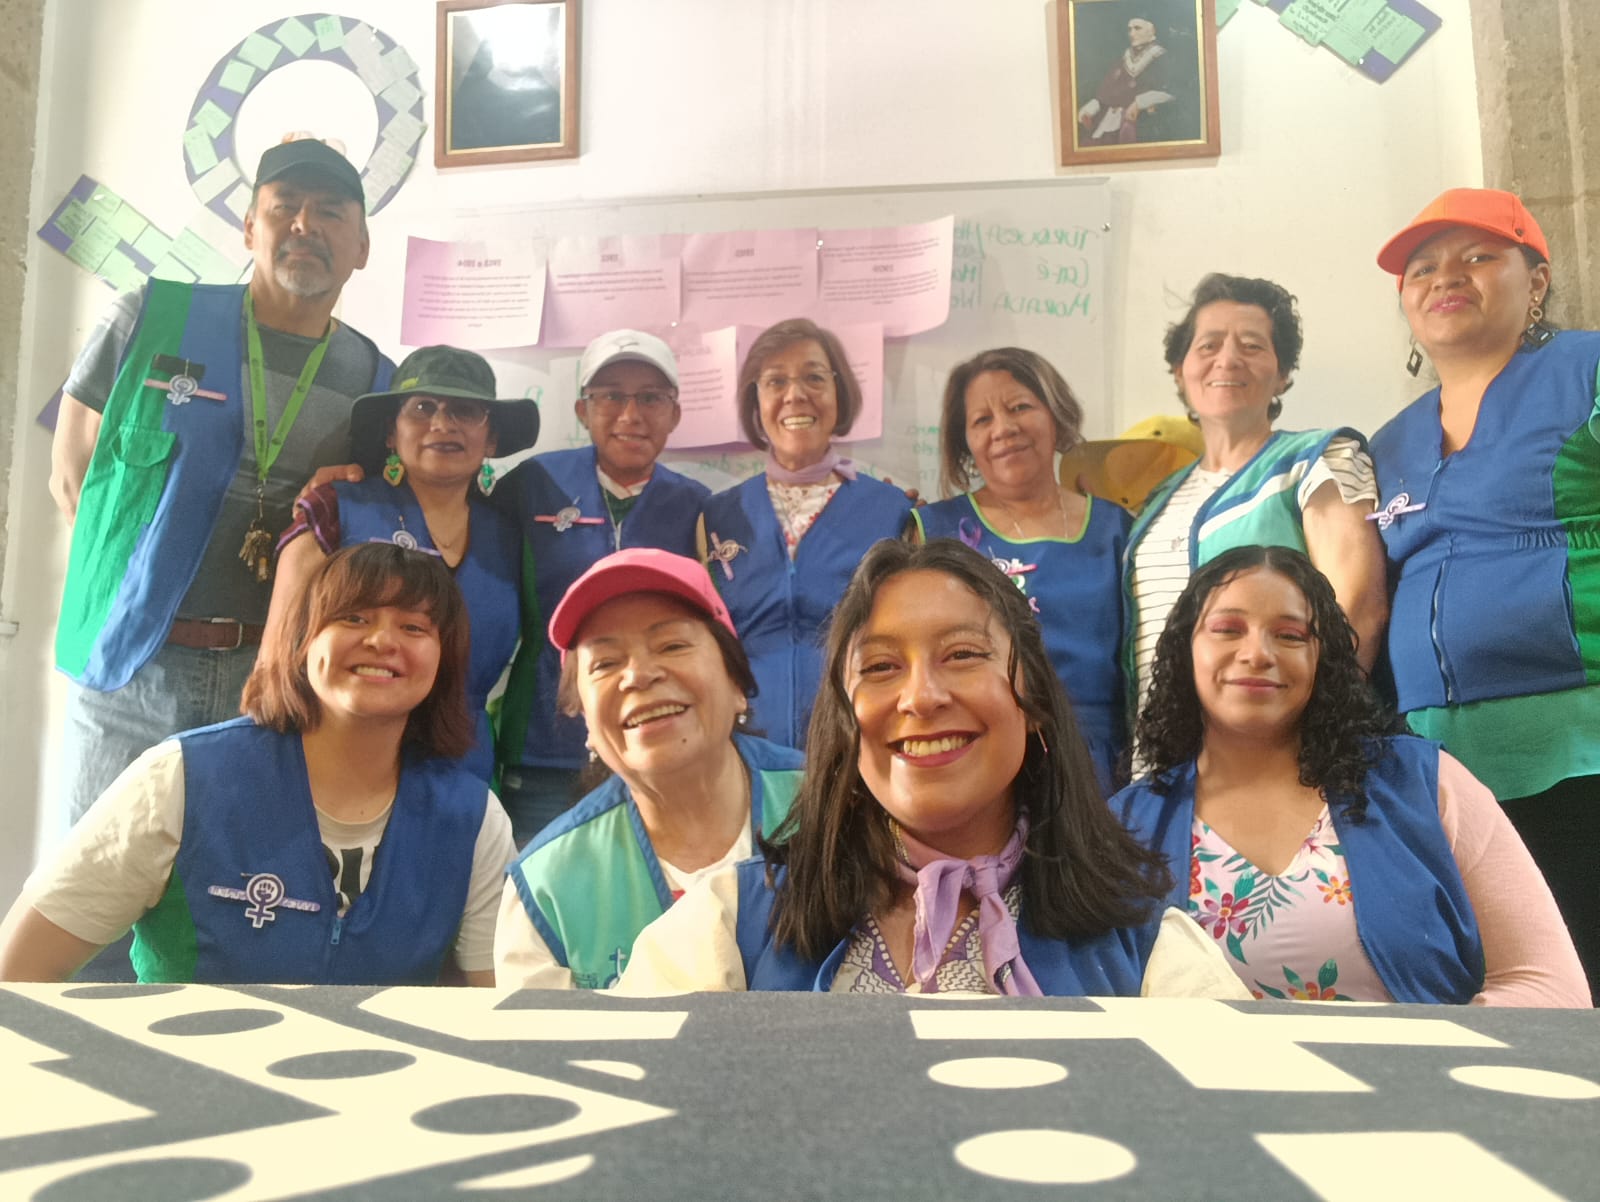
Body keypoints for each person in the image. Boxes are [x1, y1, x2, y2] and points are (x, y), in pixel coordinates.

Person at [614, 539, 1249, 997]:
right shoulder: (729, 923)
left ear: (1033, 703)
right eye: (881, 667)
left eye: (963, 654)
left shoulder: (1144, 948)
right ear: (845, 718)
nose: (920, 697)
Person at [49, 135, 392, 827]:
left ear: (361, 246)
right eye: (284, 207)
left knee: (222, 903)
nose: (304, 224)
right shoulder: (152, 317)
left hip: (266, 683)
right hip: (129, 668)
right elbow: (74, 475)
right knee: (82, 908)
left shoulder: (375, 383)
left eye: (329, 212)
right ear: (249, 227)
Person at [0, 544, 515, 986]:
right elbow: (18, 970)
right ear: (303, 640)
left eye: (414, 626)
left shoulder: (473, 820)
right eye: (354, 617)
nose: (383, 640)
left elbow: (493, 1012)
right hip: (184, 1088)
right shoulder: (183, 777)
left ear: (444, 659)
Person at [1115, 545, 1587, 1007]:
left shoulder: (1426, 783)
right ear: (1184, 651)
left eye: (1291, 635)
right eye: (1227, 629)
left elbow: (1551, 985)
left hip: (1419, 1081)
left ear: (1324, 660)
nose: (1257, 653)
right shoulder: (1124, 826)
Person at [1370, 187, 1600, 1004]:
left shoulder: (1586, 368)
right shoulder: (1390, 443)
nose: (1445, 277)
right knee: (1492, 1002)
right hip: (1442, 773)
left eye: (1477, 256)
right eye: (1421, 269)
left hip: (1579, 752)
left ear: (1535, 281)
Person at [496, 549, 804, 989]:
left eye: (673, 645)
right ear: (585, 720)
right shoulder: (546, 887)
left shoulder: (838, 810)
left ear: (738, 685)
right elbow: (539, 1054)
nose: (638, 675)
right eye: (605, 663)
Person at [1124, 273, 1387, 741]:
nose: (1227, 359)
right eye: (1208, 346)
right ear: (1180, 370)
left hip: (1278, 755)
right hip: (1161, 761)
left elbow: (1358, 609)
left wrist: (1315, 740)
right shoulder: (1156, 502)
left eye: (1251, 345)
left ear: (1282, 373)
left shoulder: (1317, 461)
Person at [266, 346, 538, 783]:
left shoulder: (513, 536)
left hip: (460, 767)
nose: (442, 424)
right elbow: (276, 659)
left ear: (491, 439)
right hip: (333, 756)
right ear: (391, 433)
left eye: (465, 411)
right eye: (422, 408)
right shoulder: (336, 505)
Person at [496, 330, 710, 846]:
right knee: (540, 902)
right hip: (543, 751)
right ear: (582, 409)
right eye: (611, 395)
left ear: (674, 415)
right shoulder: (532, 485)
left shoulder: (699, 508)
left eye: (651, 398)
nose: (630, 414)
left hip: (654, 747)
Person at [913, 347, 1129, 791]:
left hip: (1103, 766)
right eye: (982, 420)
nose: (1004, 429)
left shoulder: (1117, 528)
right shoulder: (933, 532)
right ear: (965, 442)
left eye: (1019, 407)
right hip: (982, 760)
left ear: (1056, 415)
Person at [698, 318, 914, 748]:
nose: (795, 395)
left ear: (840, 393)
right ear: (754, 400)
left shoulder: (893, 512)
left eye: (814, 377)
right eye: (775, 381)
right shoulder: (716, 515)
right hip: (744, 749)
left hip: (860, 746)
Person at [1077, 17, 1180, 146]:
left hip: (1142, 124)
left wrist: (1139, 103)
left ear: (1152, 30)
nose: (1131, 34)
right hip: (1109, 121)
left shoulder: (1163, 58)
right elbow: (1106, 91)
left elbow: (1173, 91)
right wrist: (1092, 108)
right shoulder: (1124, 58)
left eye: (1137, 28)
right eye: (1129, 29)